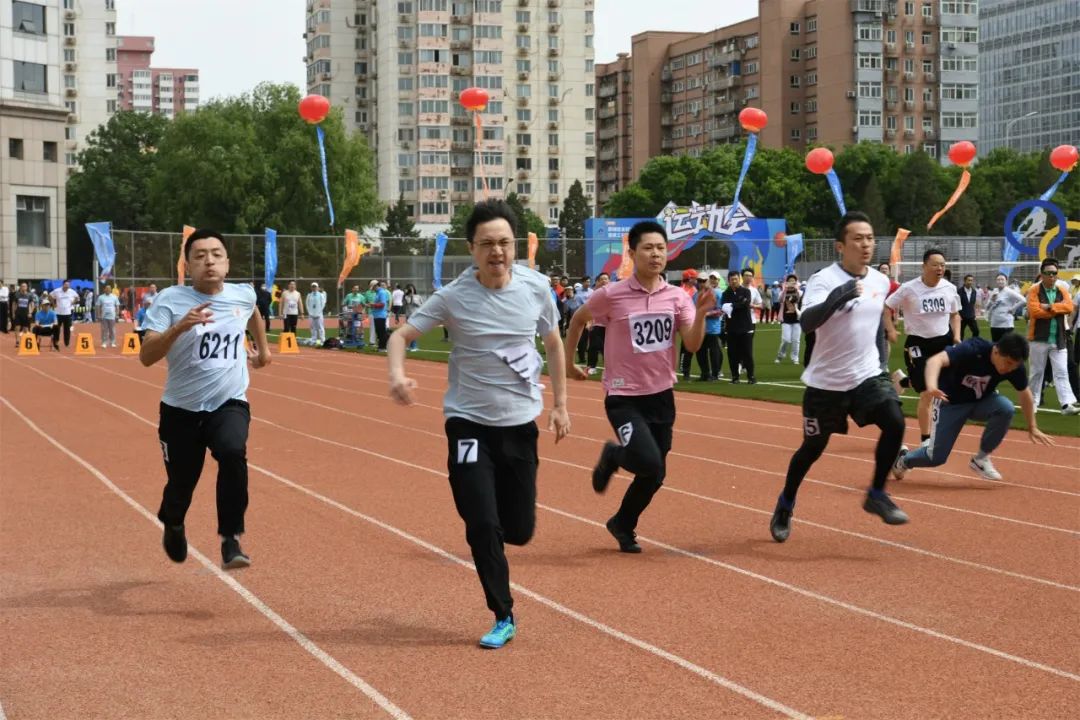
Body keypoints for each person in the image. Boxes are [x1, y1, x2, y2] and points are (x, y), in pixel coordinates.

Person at [387, 200, 570, 650]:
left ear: (515, 247)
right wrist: (397, 374)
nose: (497, 252)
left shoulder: (536, 288)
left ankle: (494, 529)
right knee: (481, 521)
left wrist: (561, 404)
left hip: (520, 423)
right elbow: (400, 335)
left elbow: (553, 340)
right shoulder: (453, 296)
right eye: (487, 244)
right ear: (472, 249)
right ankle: (503, 612)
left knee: (520, 530)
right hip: (468, 424)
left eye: (504, 243)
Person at [566, 220, 712, 554]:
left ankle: (622, 523)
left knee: (655, 474)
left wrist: (701, 314)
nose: (656, 254)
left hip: (661, 395)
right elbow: (577, 320)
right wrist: (569, 362)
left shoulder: (677, 297)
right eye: (648, 247)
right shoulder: (611, 295)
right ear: (632, 253)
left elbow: (690, 345)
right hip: (623, 396)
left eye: (661, 248)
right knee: (647, 461)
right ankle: (613, 454)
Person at [770, 211, 909, 543]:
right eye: (857, 239)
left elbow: (874, 323)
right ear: (839, 246)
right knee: (812, 449)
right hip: (826, 384)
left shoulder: (878, 280)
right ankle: (785, 503)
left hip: (865, 376)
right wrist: (840, 295)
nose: (865, 244)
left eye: (870, 238)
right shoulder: (824, 279)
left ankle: (876, 493)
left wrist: (880, 365)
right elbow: (807, 323)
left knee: (895, 421)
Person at [139, 228, 272, 570]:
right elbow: (146, 356)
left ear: (227, 263)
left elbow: (253, 310)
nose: (208, 261)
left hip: (228, 402)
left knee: (232, 452)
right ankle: (173, 520)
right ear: (187, 265)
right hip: (180, 410)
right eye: (199, 256)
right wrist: (178, 328)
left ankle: (231, 538)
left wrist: (264, 350)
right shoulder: (169, 300)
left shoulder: (242, 294)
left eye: (215, 254)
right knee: (182, 481)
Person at [892, 333, 1054, 482]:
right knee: (935, 457)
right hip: (950, 403)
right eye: (1008, 363)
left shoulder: (1014, 366)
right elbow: (936, 361)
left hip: (981, 401)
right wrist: (932, 386)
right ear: (996, 351)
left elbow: (1025, 393)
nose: (1009, 368)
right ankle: (903, 460)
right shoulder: (973, 348)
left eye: (1014, 365)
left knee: (1006, 408)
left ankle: (981, 459)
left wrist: (1032, 426)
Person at [883, 248, 961, 445]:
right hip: (918, 343)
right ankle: (926, 439)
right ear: (924, 266)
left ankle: (902, 382)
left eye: (943, 265)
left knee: (939, 385)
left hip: (943, 341)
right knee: (926, 390)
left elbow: (955, 315)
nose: (940, 268)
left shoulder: (949, 288)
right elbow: (886, 306)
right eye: (935, 265)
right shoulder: (909, 288)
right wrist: (891, 329)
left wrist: (957, 337)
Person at [1026, 258, 1080, 415]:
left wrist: (1049, 307)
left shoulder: (1062, 289)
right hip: (1038, 338)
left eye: (1054, 273)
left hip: (1059, 337)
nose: (1052, 276)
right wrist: (1058, 309)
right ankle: (1033, 403)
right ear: (1041, 274)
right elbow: (1035, 312)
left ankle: (1066, 404)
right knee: (1037, 372)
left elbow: (1069, 307)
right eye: (1048, 273)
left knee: (1062, 371)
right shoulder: (1034, 290)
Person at [721, 270, 756, 383]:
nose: (734, 281)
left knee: (747, 354)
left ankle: (751, 377)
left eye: (736, 279)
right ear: (729, 281)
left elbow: (745, 304)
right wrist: (737, 303)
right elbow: (724, 307)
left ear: (739, 279)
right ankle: (735, 377)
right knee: (732, 354)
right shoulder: (725, 294)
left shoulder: (746, 291)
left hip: (745, 327)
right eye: (732, 279)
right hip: (731, 328)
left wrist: (733, 305)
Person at [696, 271, 724, 380]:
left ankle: (715, 374)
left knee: (714, 352)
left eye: (703, 281)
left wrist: (706, 313)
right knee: (700, 351)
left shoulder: (716, 293)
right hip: (699, 328)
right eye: (699, 281)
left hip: (712, 328)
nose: (701, 283)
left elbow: (720, 310)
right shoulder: (696, 295)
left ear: (708, 281)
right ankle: (705, 373)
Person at [985, 273, 1027, 341]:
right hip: (994, 324)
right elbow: (987, 307)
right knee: (996, 346)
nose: (1000, 281)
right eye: (998, 279)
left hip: (1006, 324)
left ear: (1006, 281)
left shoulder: (1009, 291)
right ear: (996, 281)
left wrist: (1012, 309)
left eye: (1002, 279)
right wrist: (992, 301)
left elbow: (1024, 300)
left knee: (1007, 347)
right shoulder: (994, 291)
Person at [586, 271, 610, 376]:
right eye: (602, 279)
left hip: (609, 326)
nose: (604, 280)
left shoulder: (614, 292)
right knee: (594, 346)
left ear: (609, 281)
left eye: (606, 278)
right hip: (596, 324)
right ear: (598, 281)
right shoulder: (594, 294)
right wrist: (589, 322)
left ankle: (609, 368)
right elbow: (588, 310)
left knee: (608, 348)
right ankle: (592, 366)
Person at [776, 273, 802, 364]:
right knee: (786, 339)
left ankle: (795, 358)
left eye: (793, 281)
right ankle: (780, 355)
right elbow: (779, 300)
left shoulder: (799, 292)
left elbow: (800, 300)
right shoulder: (783, 292)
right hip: (786, 319)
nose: (791, 282)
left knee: (796, 340)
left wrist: (796, 289)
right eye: (790, 281)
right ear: (786, 282)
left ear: (796, 282)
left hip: (797, 319)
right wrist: (784, 290)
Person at [50, 279, 80, 349]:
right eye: (66, 285)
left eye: (68, 285)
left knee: (67, 330)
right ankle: (55, 343)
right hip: (58, 313)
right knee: (56, 329)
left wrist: (73, 302)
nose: (67, 286)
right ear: (63, 285)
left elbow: (77, 297)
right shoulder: (57, 291)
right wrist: (53, 303)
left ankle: (67, 343)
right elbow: (50, 296)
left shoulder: (72, 291)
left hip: (67, 313)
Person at [369, 279, 391, 350]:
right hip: (376, 315)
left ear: (376, 286)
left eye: (373, 287)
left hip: (381, 315)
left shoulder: (382, 292)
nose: (373, 289)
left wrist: (373, 305)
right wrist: (371, 305)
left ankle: (383, 347)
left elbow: (382, 304)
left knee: (381, 332)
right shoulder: (377, 293)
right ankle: (380, 346)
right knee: (378, 332)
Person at [97, 283, 121, 347]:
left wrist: (117, 314)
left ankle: (112, 342)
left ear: (111, 290)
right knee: (104, 330)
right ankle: (104, 342)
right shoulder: (101, 297)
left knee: (112, 330)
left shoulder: (114, 297)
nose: (108, 290)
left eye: (109, 289)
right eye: (107, 288)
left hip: (112, 316)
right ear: (104, 289)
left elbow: (117, 306)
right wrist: (99, 315)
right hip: (104, 316)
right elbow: (98, 307)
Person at [957, 274, 980, 339]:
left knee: (976, 331)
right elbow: (956, 303)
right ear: (965, 281)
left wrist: (975, 314)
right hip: (962, 316)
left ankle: (973, 344)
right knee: (960, 334)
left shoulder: (974, 291)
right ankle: (960, 347)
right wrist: (958, 315)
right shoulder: (959, 291)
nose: (970, 282)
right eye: (969, 280)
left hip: (971, 316)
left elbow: (973, 303)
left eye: (971, 280)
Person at [306, 282, 327, 346]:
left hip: (319, 314)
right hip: (311, 314)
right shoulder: (309, 295)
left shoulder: (321, 295)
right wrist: (310, 312)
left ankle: (322, 340)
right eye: (313, 287)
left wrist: (319, 312)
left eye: (315, 287)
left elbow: (323, 304)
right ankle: (313, 340)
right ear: (311, 287)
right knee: (312, 327)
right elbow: (307, 304)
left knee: (320, 327)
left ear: (317, 287)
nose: (314, 288)